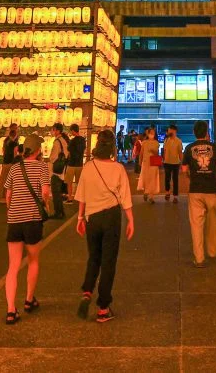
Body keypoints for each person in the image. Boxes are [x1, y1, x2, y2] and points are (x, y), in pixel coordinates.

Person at [75, 129, 134, 323]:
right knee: (108, 261)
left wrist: (80, 218)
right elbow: (125, 197)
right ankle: (103, 308)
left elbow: (81, 195)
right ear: (112, 148)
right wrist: (131, 220)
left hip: (92, 217)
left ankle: (87, 291)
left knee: (94, 257)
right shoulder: (118, 169)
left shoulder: (88, 167)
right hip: (111, 217)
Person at [3, 133, 51, 324]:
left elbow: (8, 194)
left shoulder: (15, 168)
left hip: (14, 220)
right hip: (32, 219)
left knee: (13, 266)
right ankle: (29, 300)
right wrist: (45, 203)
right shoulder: (42, 167)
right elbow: (45, 191)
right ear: (38, 151)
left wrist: (12, 211)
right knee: (33, 260)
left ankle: (10, 310)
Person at [182, 120, 216, 268]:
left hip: (195, 191)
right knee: (213, 222)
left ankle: (199, 258)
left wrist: (191, 176)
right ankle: (212, 251)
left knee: (196, 226)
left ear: (194, 133)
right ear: (206, 133)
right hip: (212, 190)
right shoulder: (214, 147)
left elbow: (184, 169)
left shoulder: (189, 148)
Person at [134, 127, 161, 203]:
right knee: (146, 178)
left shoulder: (156, 143)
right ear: (148, 133)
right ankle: (146, 192)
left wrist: (153, 152)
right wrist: (140, 161)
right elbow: (141, 153)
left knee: (153, 179)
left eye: (153, 133)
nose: (152, 134)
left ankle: (151, 196)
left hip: (153, 162)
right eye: (151, 133)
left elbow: (157, 153)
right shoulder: (144, 143)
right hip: (146, 162)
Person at [48, 123, 69, 219]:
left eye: (53, 130)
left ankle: (58, 213)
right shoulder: (63, 140)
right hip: (61, 169)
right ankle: (61, 212)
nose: (52, 132)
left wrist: (50, 160)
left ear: (57, 130)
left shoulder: (57, 142)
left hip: (56, 171)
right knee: (58, 192)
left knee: (55, 192)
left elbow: (53, 157)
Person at [161, 125, 183, 202]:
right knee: (167, 179)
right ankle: (167, 192)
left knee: (175, 179)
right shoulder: (166, 140)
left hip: (176, 163)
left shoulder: (178, 141)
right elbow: (164, 151)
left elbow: (180, 153)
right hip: (167, 162)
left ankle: (175, 196)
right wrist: (163, 159)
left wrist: (182, 163)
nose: (169, 132)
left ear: (174, 131)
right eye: (168, 130)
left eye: (170, 130)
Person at [65, 123, 86, 200]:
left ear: (73, 131)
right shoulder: (83, 140)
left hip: (71, 164)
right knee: (79, 183)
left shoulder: (72, 141)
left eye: (71, 131)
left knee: (69, 182)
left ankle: (70, 198)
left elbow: (68, 149)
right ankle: (79, 198)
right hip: (80, 164)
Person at [0, 124, 21, 200]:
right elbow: (15, 152)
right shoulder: (13, 141)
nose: (17, 130)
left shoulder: (7, 140)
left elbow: (3, 150)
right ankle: (6, 196)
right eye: (16, 129)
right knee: (9, 180)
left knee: (4, 179)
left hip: (6, 161)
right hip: (10, 162)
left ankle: (3, 196)